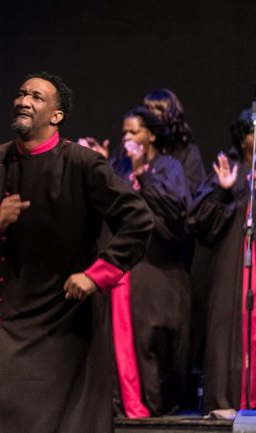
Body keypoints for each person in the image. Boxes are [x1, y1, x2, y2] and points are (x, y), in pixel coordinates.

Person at [0, 72, 154, 433]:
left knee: (74, 422)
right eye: (21, 94)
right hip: (15, 318)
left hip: (70, 316)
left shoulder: (83, 163)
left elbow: (138, 220)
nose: (23, 101)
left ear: (56, 115)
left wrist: (97, 274)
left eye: (36, 97)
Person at [109, 107, 191, 417]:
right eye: (124, 132)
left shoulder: (169, 167)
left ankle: (155, 405)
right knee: (122, 338)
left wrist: (142, 172)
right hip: (127, 264)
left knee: (151, 337)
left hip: (159, 264)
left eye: (133, 131)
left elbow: (177, 210)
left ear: (151, 135)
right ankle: (126, 405)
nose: (126, 137)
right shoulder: (119, 166)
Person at [188, 109, 255, 417]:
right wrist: (223, 192)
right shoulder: (229, 169)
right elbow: (200, 224)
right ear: (242, 139)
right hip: (233, 264)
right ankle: (227, 399)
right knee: (227, 326)